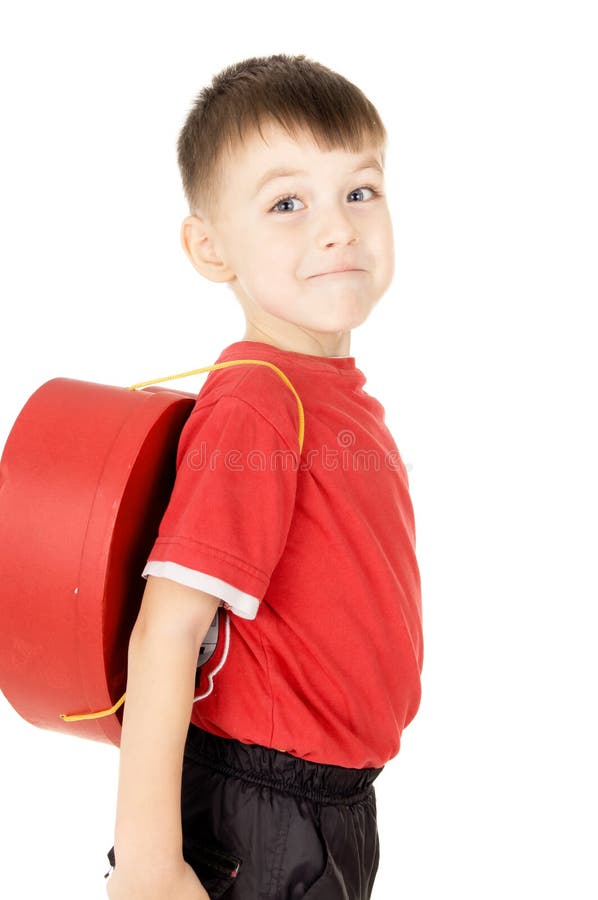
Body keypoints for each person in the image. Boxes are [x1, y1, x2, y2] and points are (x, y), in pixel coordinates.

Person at [105, 53, 423, 900]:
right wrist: (146, 866)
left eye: (360, 191)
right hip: (265, 805)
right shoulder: (259, 399)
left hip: (331, 801)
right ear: (210, 248)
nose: (337, 229)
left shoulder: (337, 399)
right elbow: (168, 630)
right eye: (288, 203)